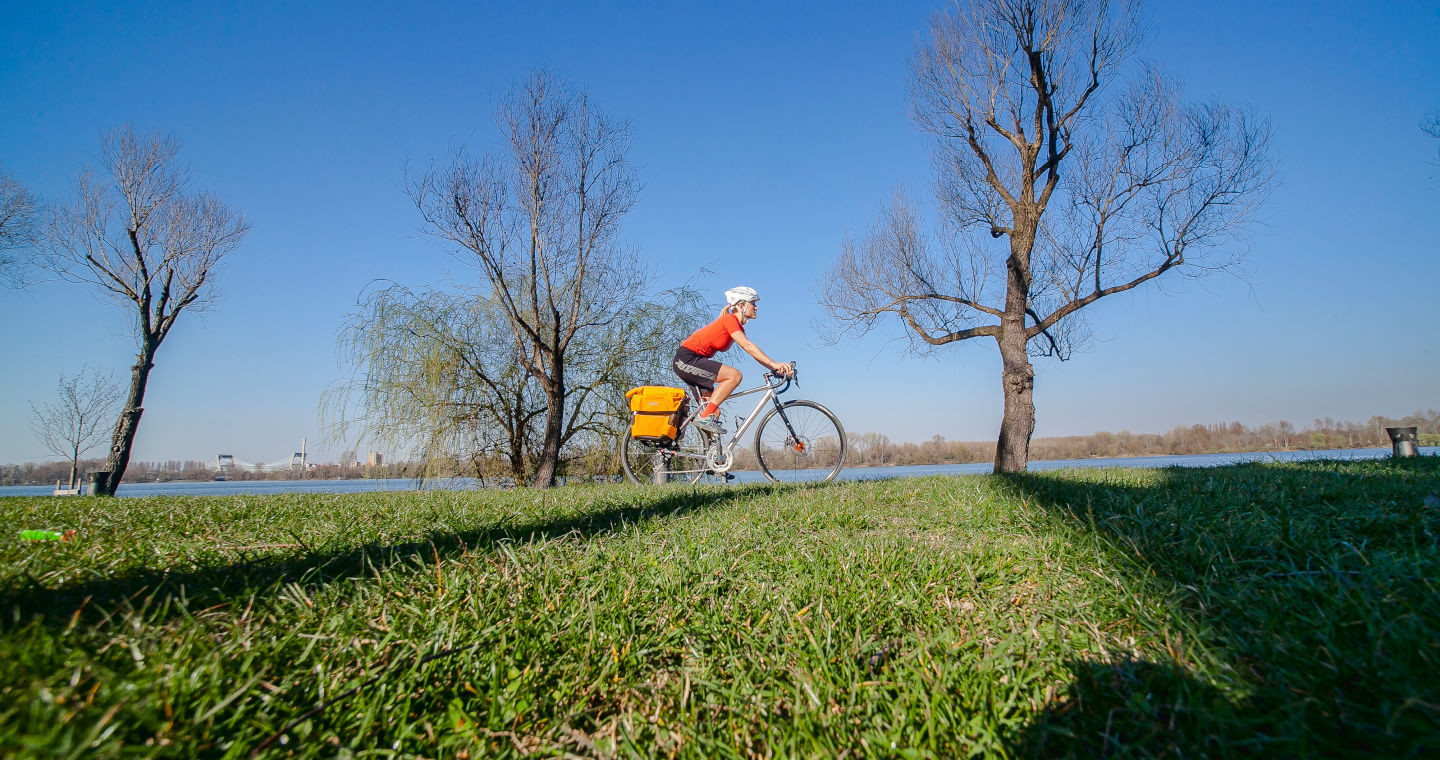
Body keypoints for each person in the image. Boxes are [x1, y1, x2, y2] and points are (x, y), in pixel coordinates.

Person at [672, 286, 794, 435]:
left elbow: (752, 352)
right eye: (753, 303)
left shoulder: (735, 325)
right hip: (686, 360)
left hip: (694, 360)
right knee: (734, 376)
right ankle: (704, 417)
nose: (756, 307)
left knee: (713, 411)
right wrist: (774, 363)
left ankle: (712, 456)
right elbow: (748, 346)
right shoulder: (729, 320)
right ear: (741, 305)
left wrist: (773, 368)